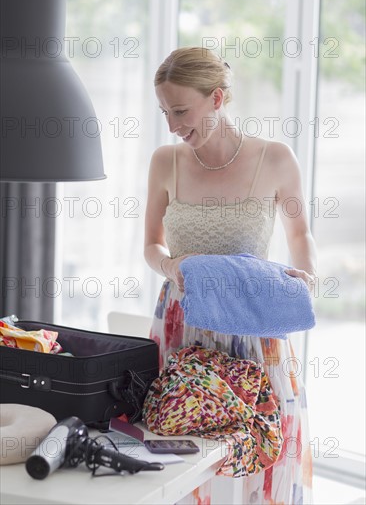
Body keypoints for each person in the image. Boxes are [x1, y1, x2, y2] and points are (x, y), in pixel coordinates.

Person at [144, 47, 316, 504]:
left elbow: (299, 233)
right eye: (164, 112)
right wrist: (169, 265)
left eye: (181, 110)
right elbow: (151, 245)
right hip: (182, 325)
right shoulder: (166, 161)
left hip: (253, 326)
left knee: (254, 446)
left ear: (217, 99)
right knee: (180, 447)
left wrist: (307, 279)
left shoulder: (275, 158)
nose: (173, 125)